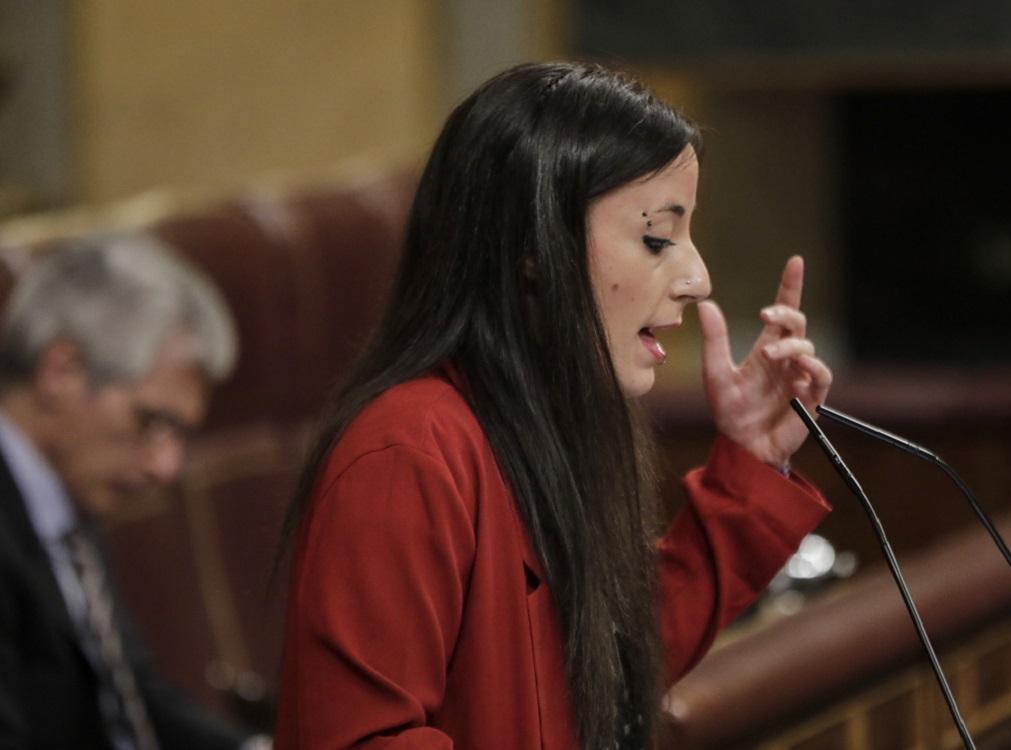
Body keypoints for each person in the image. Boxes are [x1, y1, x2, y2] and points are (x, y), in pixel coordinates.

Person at [275, 61, 834, 749]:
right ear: (536, 248)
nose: (697, 278)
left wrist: (750, 462)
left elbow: (607, 666)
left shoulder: (545, 412)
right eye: (657, 237)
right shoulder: (409, 448)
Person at [0, 235, 267, 749]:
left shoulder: (66, 498)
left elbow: (132, 694)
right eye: (152, 423)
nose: (167, 467)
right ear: (63, 372)